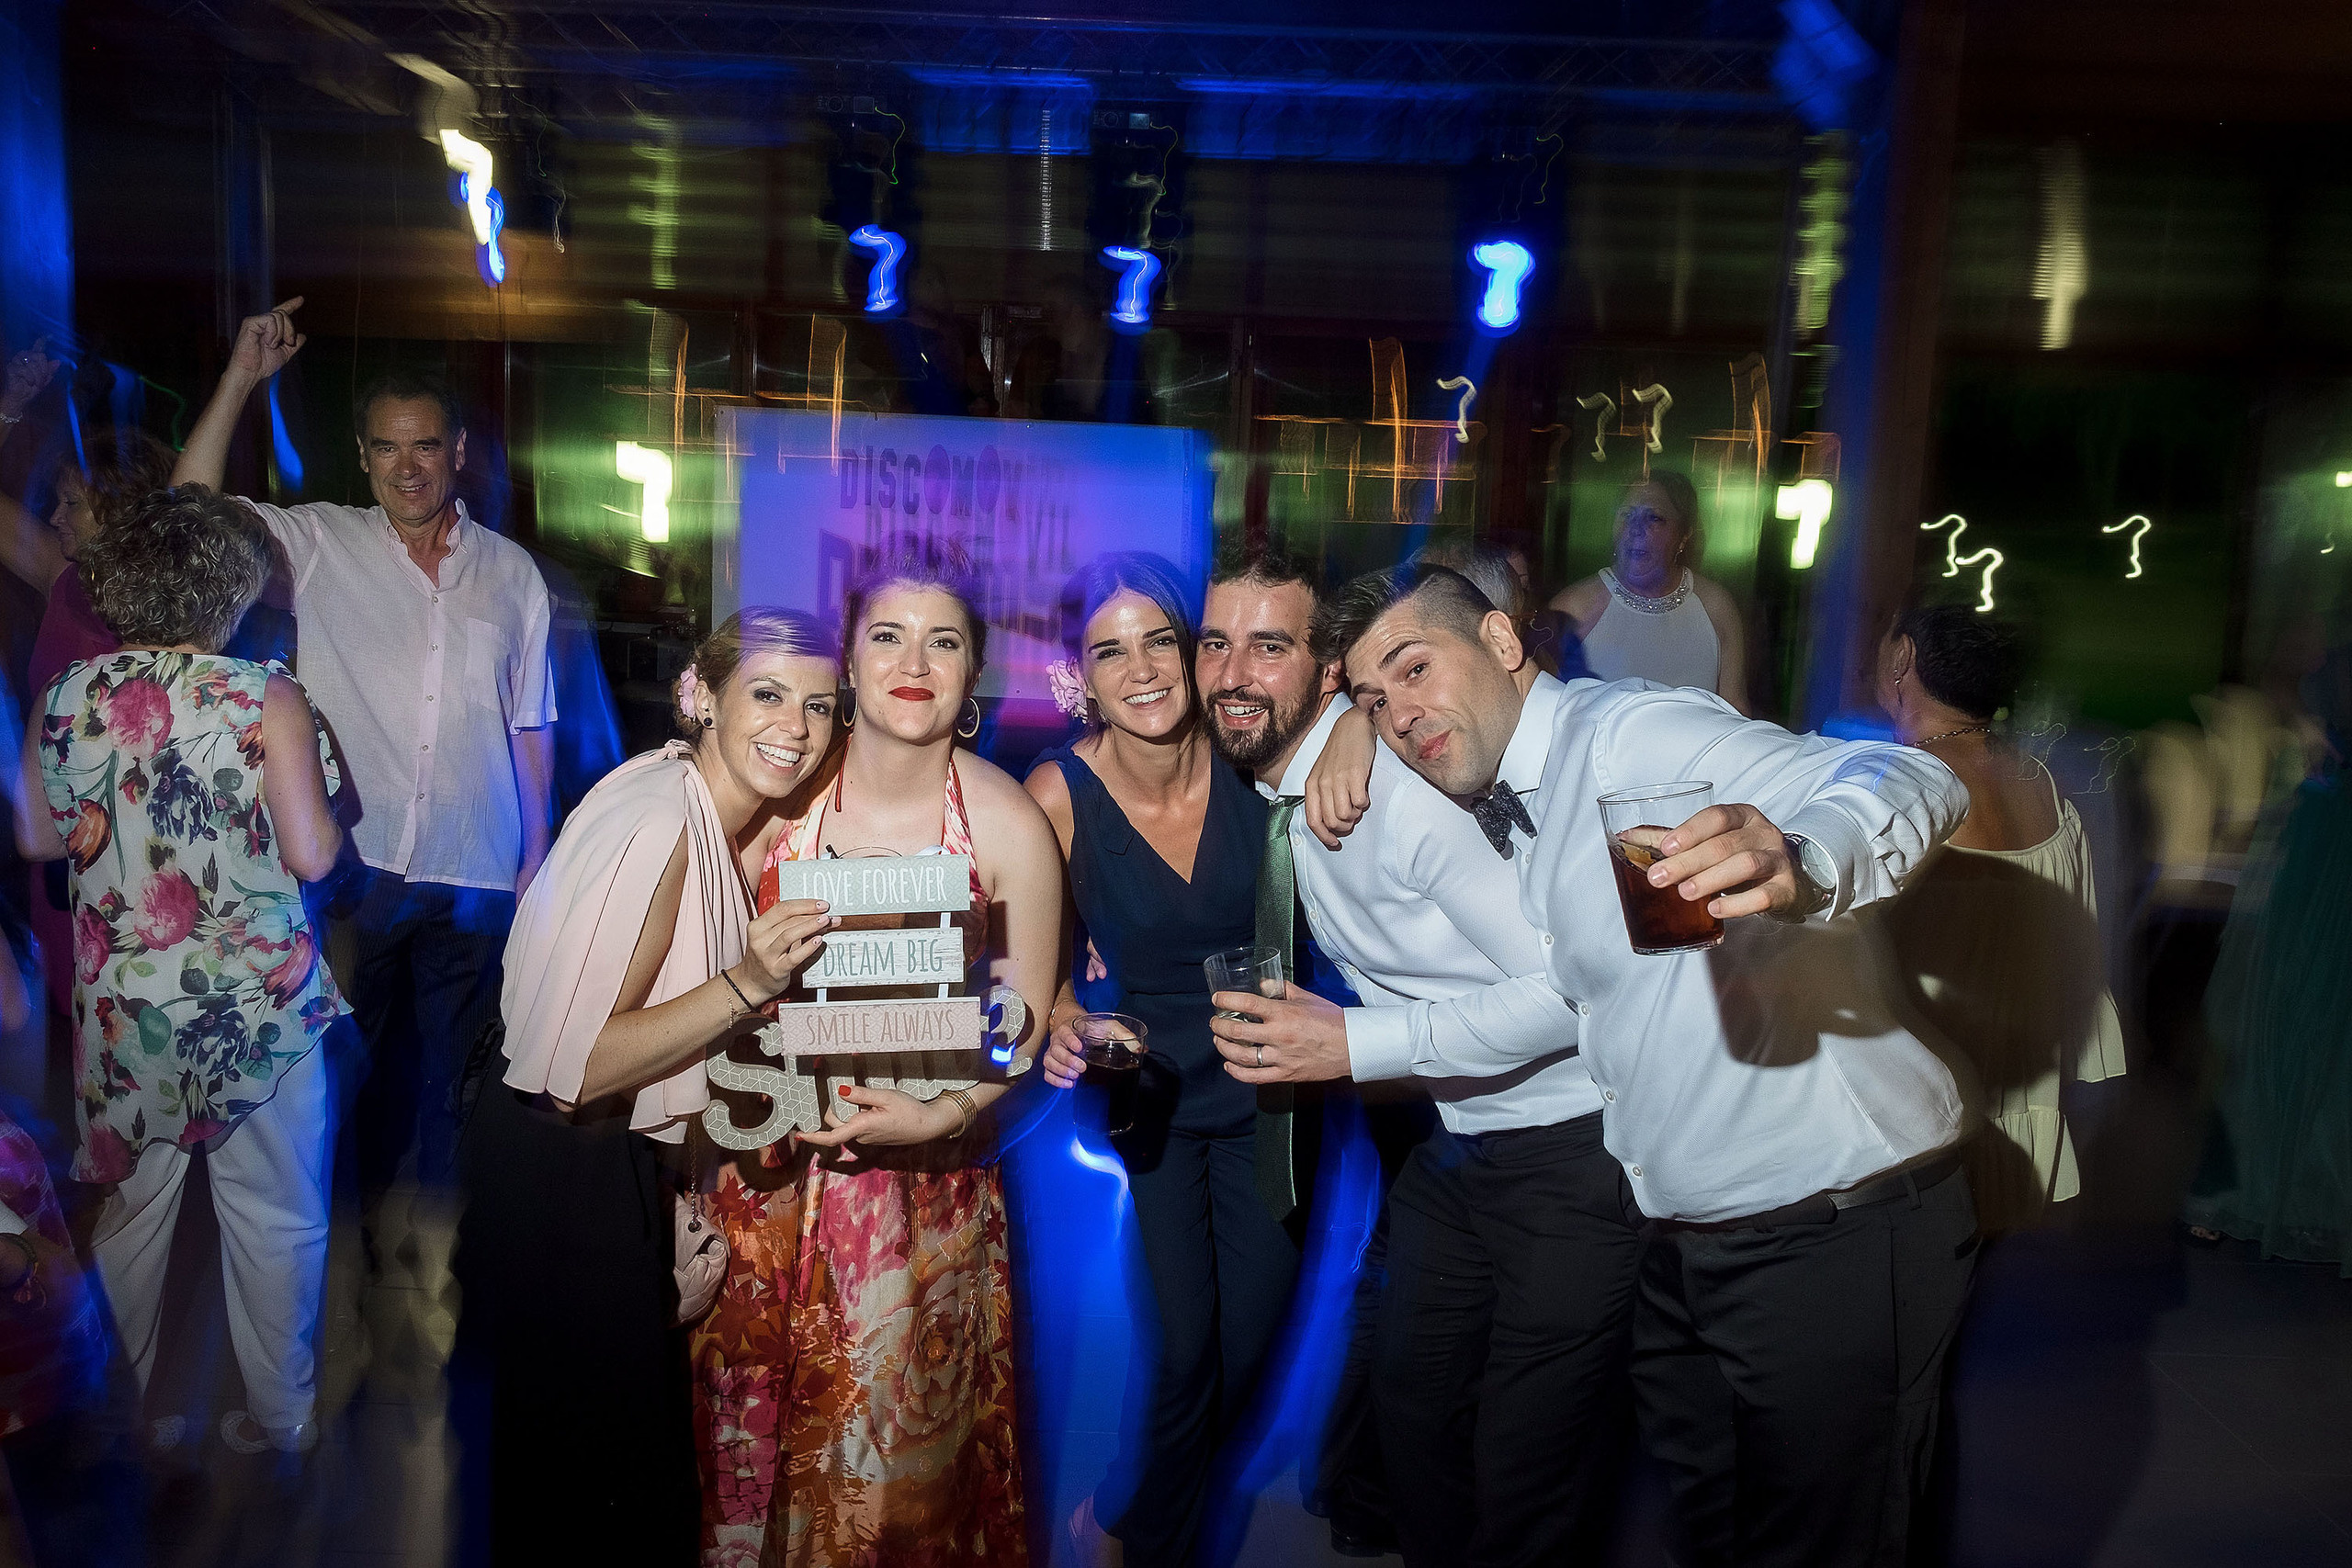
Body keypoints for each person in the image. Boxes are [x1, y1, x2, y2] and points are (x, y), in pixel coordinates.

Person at [1310, 563, 1973, 1567]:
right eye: (1374, 698)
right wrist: (1356, 720)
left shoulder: (1630, 736)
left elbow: (1911, 778)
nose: (1399, 714)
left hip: (1834, 1217)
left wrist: (1803, 853)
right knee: (1716, 1533)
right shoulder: (1518, 799)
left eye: (1414, 670)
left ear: (1500, 642)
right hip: (1686, 1239)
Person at [1194, 555, 1642, 1568]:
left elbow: (1573, 988)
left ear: (1317, 672)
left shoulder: (1398, 794)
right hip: (1461, 1147)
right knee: (1412, 1413)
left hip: (1573, 1154)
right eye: (1216, 643)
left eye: (1271, 647)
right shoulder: (1303, 794)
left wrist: (1353, 1044)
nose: (1234, 672)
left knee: (1530, 1464)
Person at [452, 607, 844, 1566]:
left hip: (576, 1171)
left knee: (578, 1489)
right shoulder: (659, 820)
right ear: (697, 695)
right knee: (600, 1503)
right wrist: (749, 985)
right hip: (560, 1177)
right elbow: (575, 1071)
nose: (795, 725)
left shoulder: (685, 799)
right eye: (767, 693)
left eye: (819, 706)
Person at [694, 546, 1060, 1568]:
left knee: (890, 1479)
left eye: (943, 640)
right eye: (886, 636)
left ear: (974, 670)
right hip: (765, 1176)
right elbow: (688, 984)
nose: (913, 660)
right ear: (847, 663)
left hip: (919, 1203)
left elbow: (1019, 1027)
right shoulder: (775, 796)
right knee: (744, 1448)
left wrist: (944, 1115)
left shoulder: (1004, 819)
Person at [172, 299, 558, 1206]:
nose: (407, 466)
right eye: (387, 447)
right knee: (345, 1078)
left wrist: (538, 857)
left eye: (424, 445)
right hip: (358, 868)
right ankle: (339, 1250)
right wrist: (240, 379)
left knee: (461, 1088)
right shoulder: (319, 545)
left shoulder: (513, 575)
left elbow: (529, 725)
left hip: (477, 877)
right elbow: (188, 516)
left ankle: (447, 1267)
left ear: (456, 450)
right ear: (363, 457)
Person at [17, 484, 348, 1456]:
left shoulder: (68, 696)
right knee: (278, 1220)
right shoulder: (263, 696)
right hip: (262, 1012)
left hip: (125, 1017)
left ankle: (126, 1421)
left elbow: (38, 840)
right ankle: (281, 1421)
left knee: (127, 1222)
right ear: (231, 593)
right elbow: (316, 855)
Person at [1029, 549, 1293, 1568]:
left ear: (1192, 655)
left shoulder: (1252, 759)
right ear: (1080, 677)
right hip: (1155, 1103)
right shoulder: (1058, 794)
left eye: (1158, 642)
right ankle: (1144, 1536)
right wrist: (1058, 1005)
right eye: (1109, 651)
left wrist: (1356, 723)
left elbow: (1338, 710)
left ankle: (1142, 1507)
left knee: (1251, 1346)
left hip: (1274, 1094)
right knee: (1186, 1346)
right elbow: (1030, 946)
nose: (1139, 670)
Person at [1868, 604, 2126, 1233]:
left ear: (1903, 657)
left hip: (1927, 1103)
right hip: (2015, 1087)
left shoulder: (1907, 786)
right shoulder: (2038, 782)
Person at [2182, 632, 2352, 1270]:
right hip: (2318, 844)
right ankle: (2262, 1195)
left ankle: (2256, 1197)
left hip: (2321, 846)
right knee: (2293, 1028)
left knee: (2287, 1025)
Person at [1547, 471, 1748, 712]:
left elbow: (1736, 710)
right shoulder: (1573, 608)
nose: (1635, 529)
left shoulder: (1715, 607)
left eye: (1653, 518)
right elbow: (1546, 709)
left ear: (1684, 536)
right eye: (1627, 515)